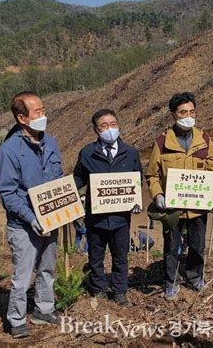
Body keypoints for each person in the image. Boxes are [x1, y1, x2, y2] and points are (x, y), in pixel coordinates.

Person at [0, 91, 62, 338]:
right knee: (22, 277)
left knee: (47, 269)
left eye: (44, 110)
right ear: (22, 118)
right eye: (38, 112)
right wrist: (31, 218)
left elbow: (57, 177)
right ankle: (17, 320)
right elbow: (8, 193)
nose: (43, 115)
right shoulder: (10, 150)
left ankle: (44, 310)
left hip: (51, 219)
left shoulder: (51, 142)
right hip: (25, 225)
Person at [145, 92, 213, 300]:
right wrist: (158, 194)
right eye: (183, 112)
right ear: (173, 115)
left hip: (197, 205)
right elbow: (152, 174)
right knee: (172, 246)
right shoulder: (162, 142)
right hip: (172, 208)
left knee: (198, 245)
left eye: (191, 111)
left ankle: (195, 276)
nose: (188, 115)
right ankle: (170, 281)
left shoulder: (204, 140)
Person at [73, 109, 142, 306]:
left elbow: (137, 180)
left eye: (113, 124)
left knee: (121, 256)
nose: (109, 129)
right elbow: (78, 177)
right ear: (96, 130)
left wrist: (135, 201)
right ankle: (99, 289)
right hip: (96, 218)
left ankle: (120, 291)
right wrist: (67, 191)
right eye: (104, 126)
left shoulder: (130, 153)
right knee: (96, 256)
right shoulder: (87, 153)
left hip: (121, 218)